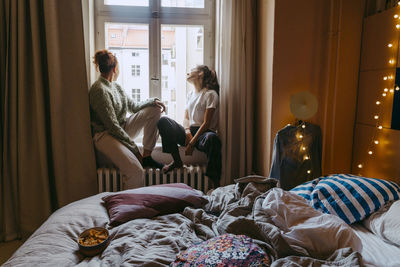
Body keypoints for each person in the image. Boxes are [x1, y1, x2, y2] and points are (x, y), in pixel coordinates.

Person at [89, 50, 165, 189]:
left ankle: (147, 156)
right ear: (115, 68)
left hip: (121, 129)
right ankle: (130, 208)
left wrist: (153, 101)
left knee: (154, 109)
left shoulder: (116, 86)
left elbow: (134, 107)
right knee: (136, 172)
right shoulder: (98, 90)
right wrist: (134, 149)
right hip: (105, 136)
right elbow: (112, 126)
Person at [157, 65, 222, 186]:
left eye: (191, 71)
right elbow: (186, 117)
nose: (188, 73)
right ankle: (177, 161)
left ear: (201, 74)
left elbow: (206, 123)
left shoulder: (211, 94)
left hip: (204, 133)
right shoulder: (190, 94)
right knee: (163, 121)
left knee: (213, 139)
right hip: (190, 131)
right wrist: (187, 132)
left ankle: (215, 182)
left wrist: (192, 143)